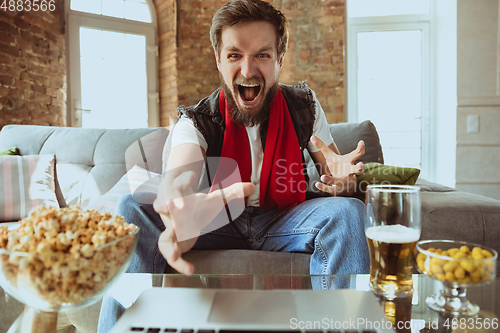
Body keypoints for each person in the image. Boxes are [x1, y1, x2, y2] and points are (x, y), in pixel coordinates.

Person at [97, 0, 369, 331]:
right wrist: (179, 203)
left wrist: (342, 183)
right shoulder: (197, 119)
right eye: (235, 55)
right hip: (217, 219)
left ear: (280, 60)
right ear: (219, 60)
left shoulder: (305, 107)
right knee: (131, 206)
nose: (248, 69)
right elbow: (180, 175)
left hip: (284, 219)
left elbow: (334, 170)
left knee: (349, 212)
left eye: (262, 55)